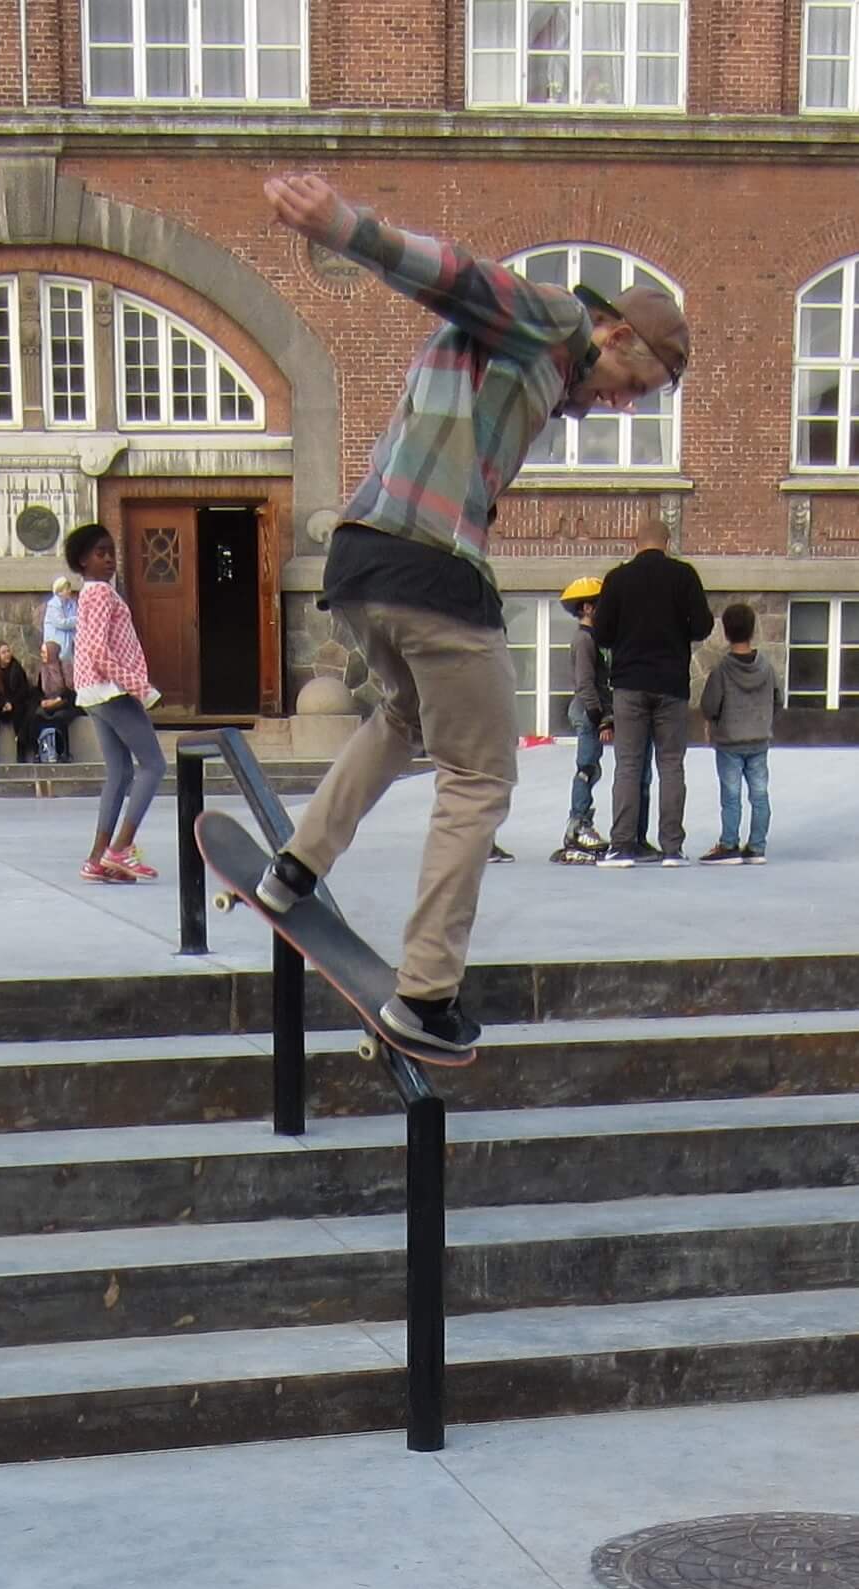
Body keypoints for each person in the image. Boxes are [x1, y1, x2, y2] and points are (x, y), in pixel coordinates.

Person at [251, 172, 688, 1054]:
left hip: (362, 561)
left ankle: (293, 867)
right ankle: (427, 990)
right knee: (480, 778)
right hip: (431, 570)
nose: (625, 404)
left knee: (404, 714)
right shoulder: (554, 322)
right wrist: (348, 228)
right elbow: (457, 274)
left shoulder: (523, 366)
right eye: (636, 379)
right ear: (614, 330)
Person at [595, 516, 714, 869]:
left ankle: (621, 845)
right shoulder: (684, 576)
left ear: (636, 542)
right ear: (668, 542)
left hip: (629, 683)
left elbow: (601, 633)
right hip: (671, 683)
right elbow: (704, 626)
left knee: (628, 765)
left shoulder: (618, 579)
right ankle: (672, 848)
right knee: (671, 765)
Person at [66, 522, 165, 884]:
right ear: (82, 561)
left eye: (111, 552)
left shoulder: (91, 594)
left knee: (120, 773)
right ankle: (121, 848)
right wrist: (140, 687)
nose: (109, 559)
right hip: (112, 691)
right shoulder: (100, 594)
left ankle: (98, 860)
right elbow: (96, 650)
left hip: (94, 692)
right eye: (99, 553)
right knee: (153, 765)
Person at [699, 603, 782, 864]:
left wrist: (711, 723)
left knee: (731, 796)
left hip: (729, 741)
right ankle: (757, 846)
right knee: (760, 794)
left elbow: (710, 705)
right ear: (753, 630)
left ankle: (729, 844)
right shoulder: (766, 668)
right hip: (759, 739)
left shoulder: (722, 670)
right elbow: (778, 699)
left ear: (725, 632)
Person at [552, 577, 615, 859]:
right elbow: (586, 683)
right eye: (602, 605)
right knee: (586, 768)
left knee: (592, 768)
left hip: (592, 709)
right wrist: (600, 717)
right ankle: (578, 826)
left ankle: (581, 823)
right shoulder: (584, 640)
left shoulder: (593, 639)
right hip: (588, 711)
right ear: (588, 608)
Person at [32, 639, 80, 761]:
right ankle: (39, 752)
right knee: (37, 716)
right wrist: (42, 701)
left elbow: (71, 691)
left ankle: (64, 752)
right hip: (48, 704)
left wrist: (57, 700)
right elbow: (38, 690)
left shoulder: (65, 667)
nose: (42, 655)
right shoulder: (43, 670)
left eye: (44, 652)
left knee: (59, 718)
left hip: (65, 704)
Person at [43, 574, 82, 662]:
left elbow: (75, 617)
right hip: (56, 643)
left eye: (69, 588)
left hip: (69, 643)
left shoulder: (72, 604)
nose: (69, 591)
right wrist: (78, 619)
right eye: (66, 589)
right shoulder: (53, 605)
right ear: (59, 592)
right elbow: (60, 623)